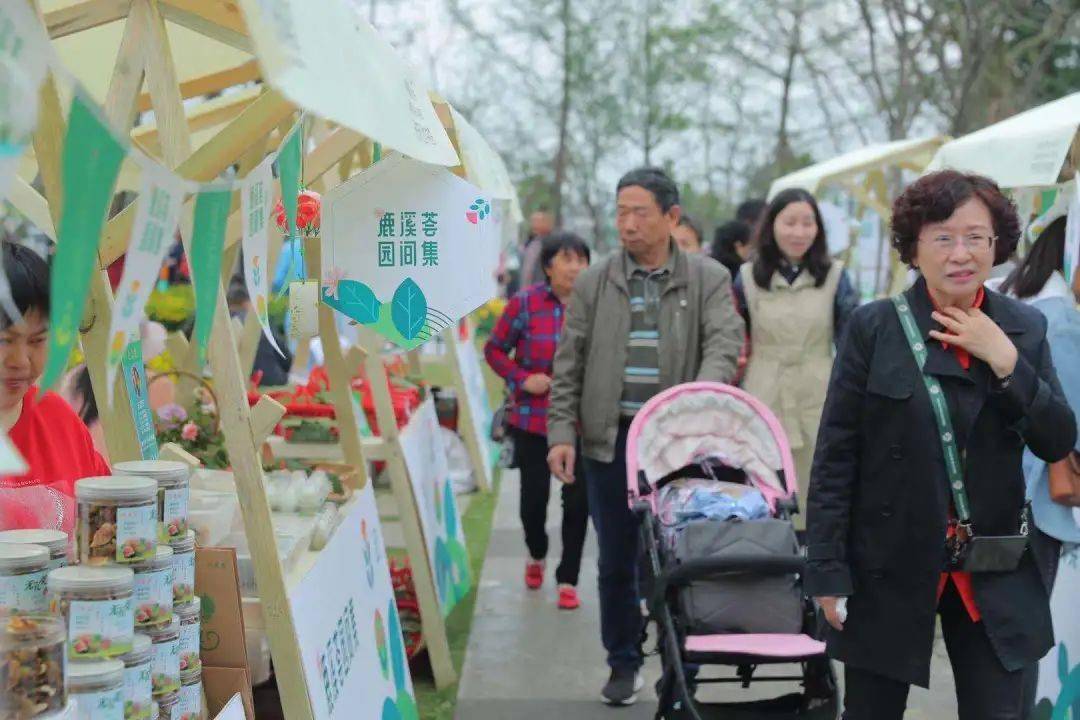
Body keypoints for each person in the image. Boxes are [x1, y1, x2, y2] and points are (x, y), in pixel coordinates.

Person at [806, 170, 1078, 720]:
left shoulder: (1022, 327)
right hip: (888, 557)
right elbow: (836, 457)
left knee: (999, 711)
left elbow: (1057, 438)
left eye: (977, 237)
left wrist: (1003, 358)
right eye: (944, 237)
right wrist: (828, 570)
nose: (962, 253)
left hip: (992, 562)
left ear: (997, 244)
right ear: (914, 246)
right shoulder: (873, 327)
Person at [547, 167, 744, 706]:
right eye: (620, 212)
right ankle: (622, 660)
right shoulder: (594, 282)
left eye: (639, 212)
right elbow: (569, 365)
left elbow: (724, 344)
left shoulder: (708, 278)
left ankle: (678, 663)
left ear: (671, 217)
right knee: (614, 559)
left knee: (676, 558)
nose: (627, 224)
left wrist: (697, 403)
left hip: (675, 448)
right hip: (608, 445)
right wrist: (561, 432)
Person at [997, 216, 1080, 715]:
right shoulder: (1061, 318)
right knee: (1036, 632)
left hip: (1012, 491)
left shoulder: (1016, 300)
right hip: (1046, 501)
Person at [484, 232, 592, 611]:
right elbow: (494, 349)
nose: (576, 267)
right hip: (533, 418)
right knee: (533, 501)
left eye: (581, 260)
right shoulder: (525, 303)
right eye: (567, 259)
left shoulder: (595, 304)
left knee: (578, 504)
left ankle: (569, 578)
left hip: (581, 422)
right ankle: (537, 552)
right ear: (548, 266)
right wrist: (521, 379)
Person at [733, 189, 858, 516]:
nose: (799, 232)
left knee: (819, 486)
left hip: (818, 392)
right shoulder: (747, 278)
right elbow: (734, 340)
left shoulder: (835, 276)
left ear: (818, 229)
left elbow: (851, 342)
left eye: (808, 223)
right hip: (763, 390)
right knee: (764, 485)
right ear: (771, 225)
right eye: (789, 222)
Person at [0, 242, 111, 533]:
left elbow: (107, 529)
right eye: (4, 341)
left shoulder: (57, 418)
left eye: (37, 341)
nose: (21, 361)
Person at [517, 208, 556, 292]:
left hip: (542, 291)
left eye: (538, 220)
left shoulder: (551, 243)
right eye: (533, 220)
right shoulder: (530, 242)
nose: (534, 223)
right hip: (526, 290)